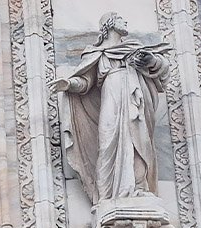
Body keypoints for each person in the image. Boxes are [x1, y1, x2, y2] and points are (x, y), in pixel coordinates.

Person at [51, 12, 169, 204]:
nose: (126, 21)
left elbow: (161, 67)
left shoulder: (134, 48)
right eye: (121, 19)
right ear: (110, 24)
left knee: (137, 140)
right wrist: (69, 84)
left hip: (134, 98)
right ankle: (107, 195)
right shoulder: (97, 53)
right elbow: (85, 82)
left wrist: (151, 62)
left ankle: (139, 187)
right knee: (107, 142)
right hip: (111, 98)